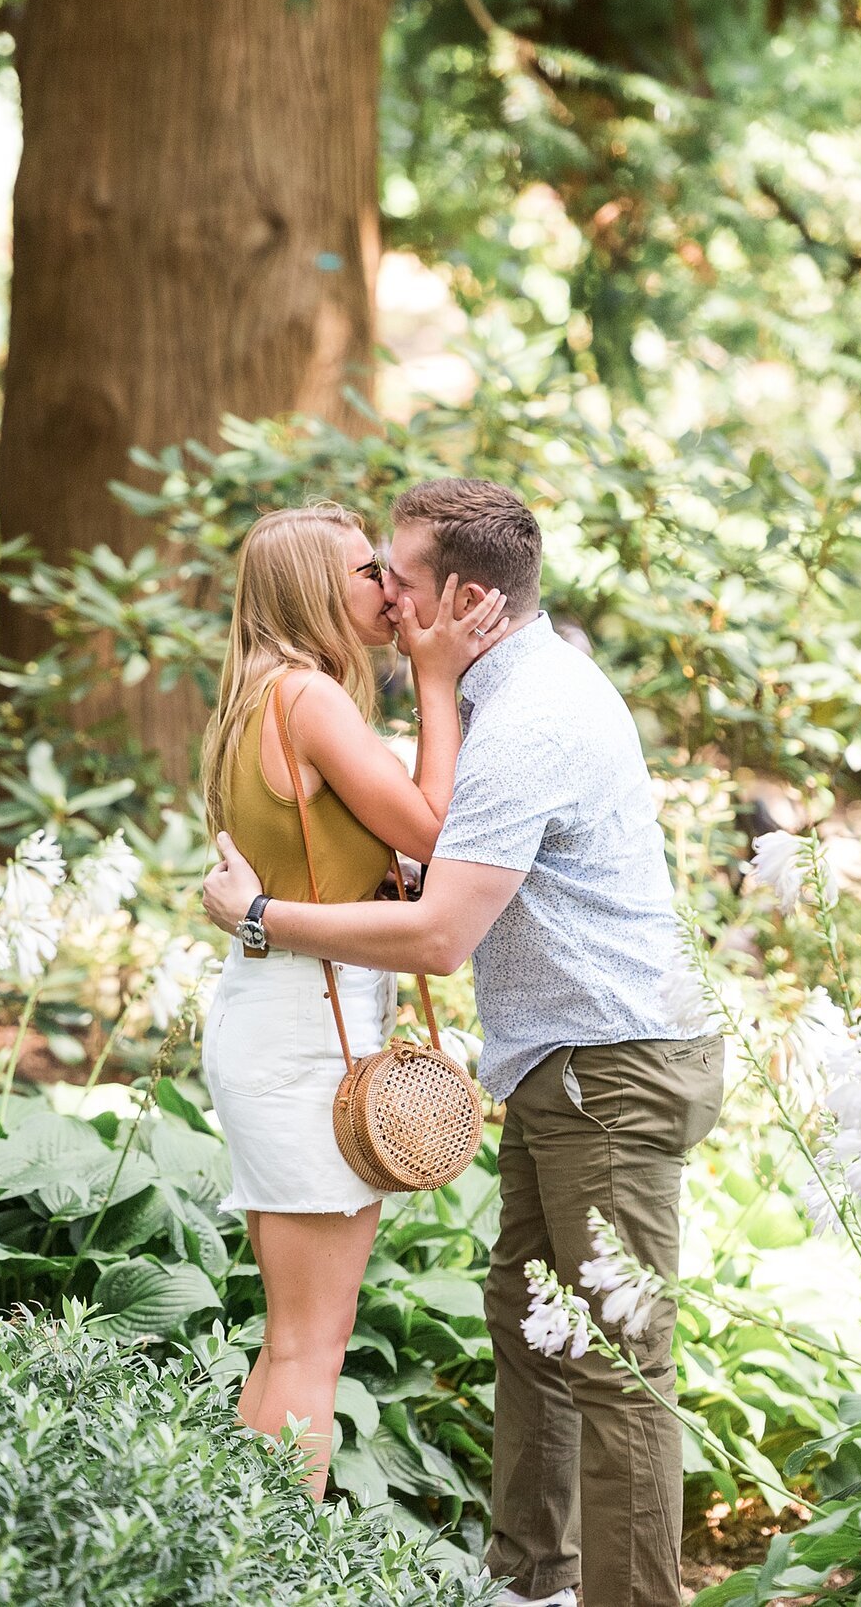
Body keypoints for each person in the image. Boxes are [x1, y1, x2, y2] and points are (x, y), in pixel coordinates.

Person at [203, 477, 726, 1607]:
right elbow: (432, 851)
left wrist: (263, 915)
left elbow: (440, 926)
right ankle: (528, 1584)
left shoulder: (529, 713)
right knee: (529, 1323)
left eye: (398, 573)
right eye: (370, 572)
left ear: (468, 598)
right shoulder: (452, 694)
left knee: (611, 1353)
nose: (387, 594)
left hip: (608, 1059)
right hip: (550, 1060)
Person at [197, 501, 508, 1498]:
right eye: (365, 571)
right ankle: (269, 1569)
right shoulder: (311, 700)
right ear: (308, 591)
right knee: (310, 1349)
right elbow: (430, 830)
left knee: (296, 1340)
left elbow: (338, 858)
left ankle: (226, 1550)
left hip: (278, 1014)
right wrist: (434, 678)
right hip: (301, 1033)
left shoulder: (257, 697)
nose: (391, 587)